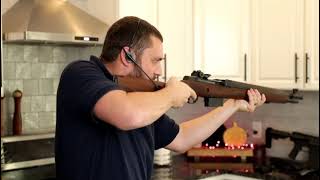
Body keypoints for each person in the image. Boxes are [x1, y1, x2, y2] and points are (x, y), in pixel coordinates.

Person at [55, 16, 266, 180]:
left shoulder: (142, 98)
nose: (159, 70)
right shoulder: (81, 73)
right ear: (127, 55)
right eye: (155, 60)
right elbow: (126, 114)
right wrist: (171, 94)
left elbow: (182, 138)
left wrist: (231, 106)